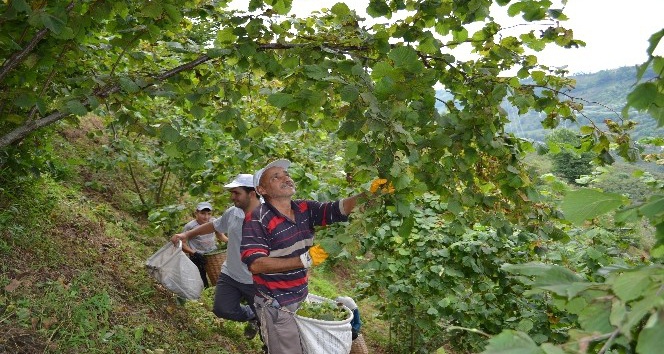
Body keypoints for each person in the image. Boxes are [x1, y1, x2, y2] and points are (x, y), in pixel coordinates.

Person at [240, 159, 364, 354]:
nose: (285, 178)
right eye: (276, 177)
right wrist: (304, 260)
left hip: (301, 297)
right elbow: (255, 264)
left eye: (286, 174)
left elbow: (337, 209)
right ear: (261, 189)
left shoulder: (304, 209)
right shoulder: (258, 218)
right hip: (276, 303)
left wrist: (370, 193)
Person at [171, 175, 263, 341]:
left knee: (268, 323)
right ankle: (253, 315)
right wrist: (187, 234)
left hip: (256, 281)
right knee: (222, 309)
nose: (232, 196)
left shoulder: (269, 217)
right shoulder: (233, 212)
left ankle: (266, 338)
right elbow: (215, 225)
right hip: (230, 274)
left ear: (252, 193)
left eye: (236, 193)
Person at [180, 201, 228, 288]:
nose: (206, 217)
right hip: (197, 256)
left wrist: (231, 242)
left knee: (218, 277)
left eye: (209, 214)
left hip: (212, 255)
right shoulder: (190, 226)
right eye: (202, 213)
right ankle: (204, 297)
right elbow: (182, 244)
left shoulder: (213, 222)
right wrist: (194, 253)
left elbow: (221, 236)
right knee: (202, 281)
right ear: (196, 213)